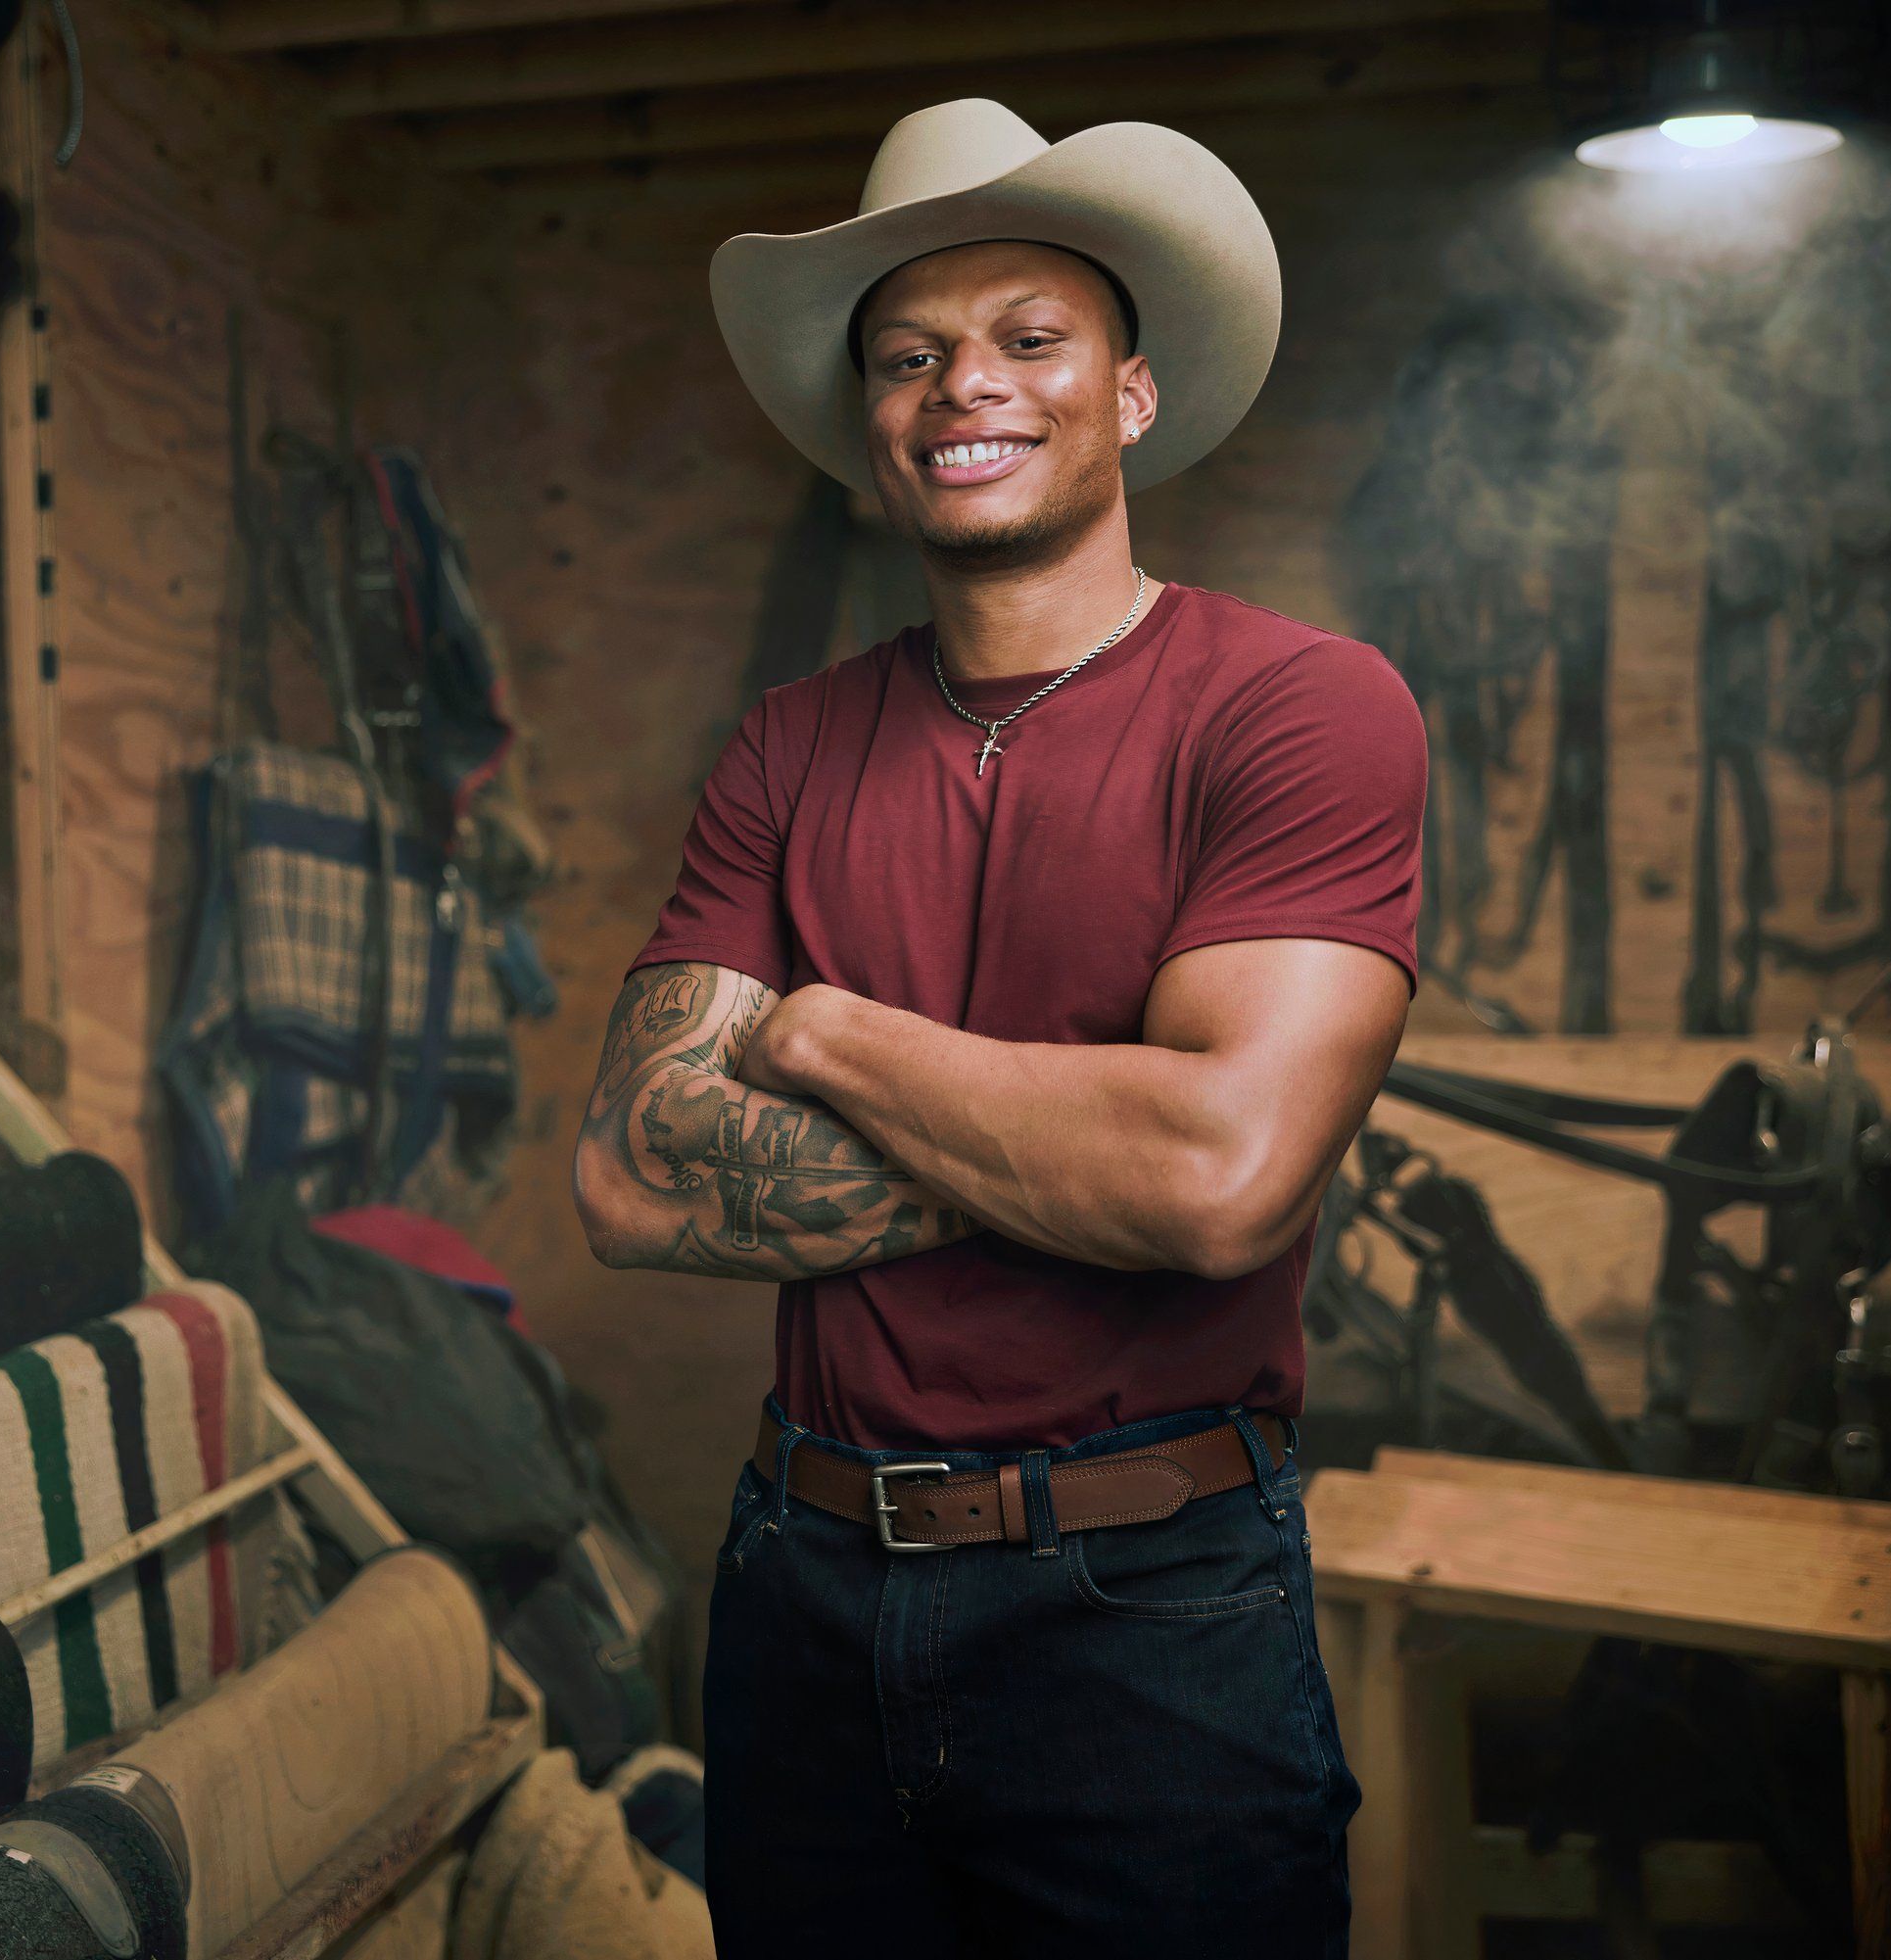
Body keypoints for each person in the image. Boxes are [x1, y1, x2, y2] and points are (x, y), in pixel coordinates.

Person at [573, 98, 1425, 1955]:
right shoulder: (791, 744)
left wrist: (823, 1035)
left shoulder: (1299, 710)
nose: (969, 383)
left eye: (1030, 338)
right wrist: (1098, 1136)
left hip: (1151, 1615)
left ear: (1126, 392)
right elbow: (635, 1175)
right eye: (911, 354)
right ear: (875, 420)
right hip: (802, 1589)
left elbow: (1216, 1182)